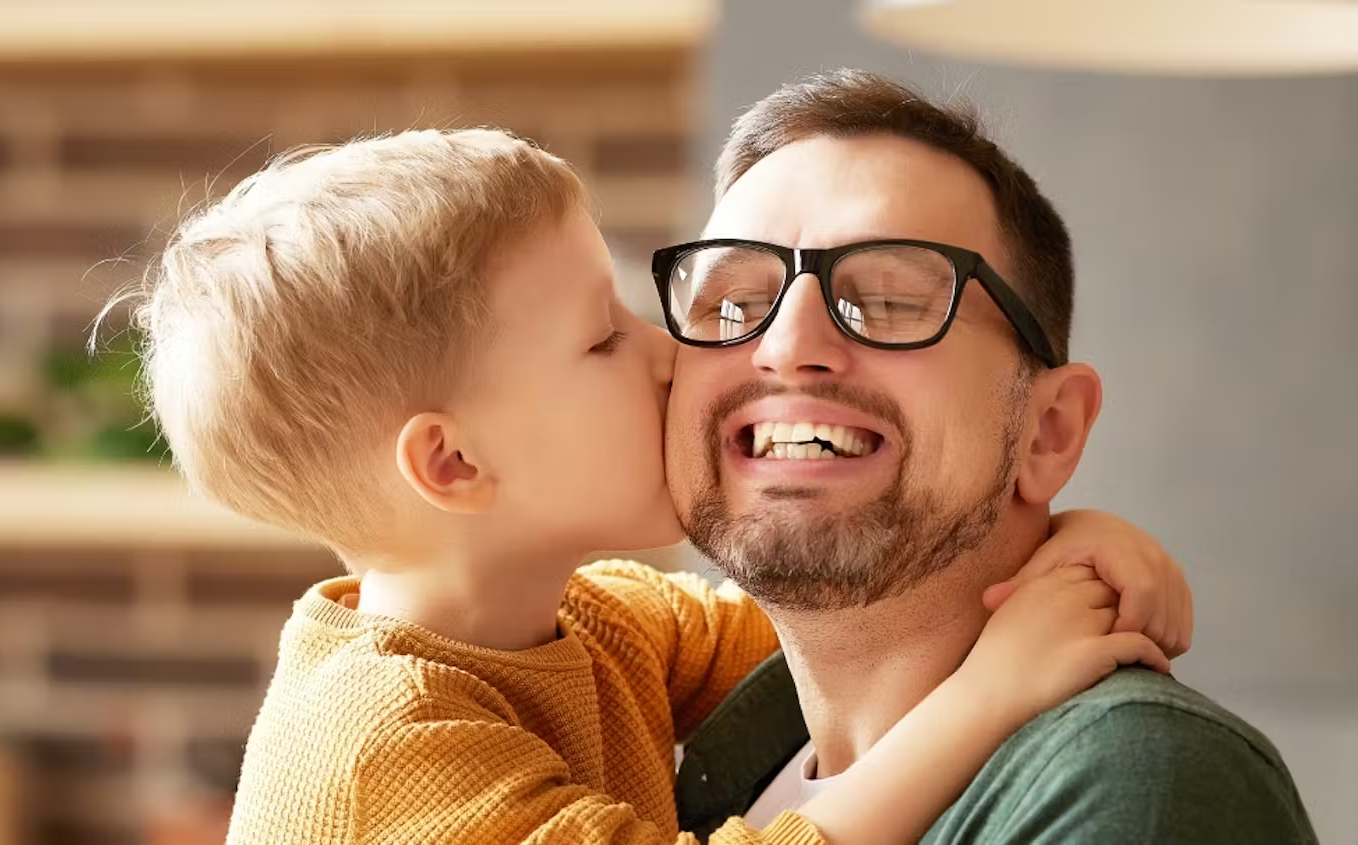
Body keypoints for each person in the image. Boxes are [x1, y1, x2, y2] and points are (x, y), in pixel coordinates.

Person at [119, 128, 1189, 845]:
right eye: (602, 339)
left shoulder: (598, 622)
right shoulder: (382, 746)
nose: (673, 354)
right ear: (455, 465)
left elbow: (866, 608)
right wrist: (993, 689)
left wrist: (1054, 533)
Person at [662, 69, 1317, 844]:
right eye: (732, 305)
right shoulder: (623, 717)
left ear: (1049, 432)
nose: (787, 346)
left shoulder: (1131, 780)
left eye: (890, 301)